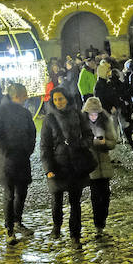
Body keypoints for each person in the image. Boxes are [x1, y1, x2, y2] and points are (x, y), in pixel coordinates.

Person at [0, 82, 36, 243]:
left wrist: (28, 149)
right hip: (6, 161)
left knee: (22, 193)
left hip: (22, 158)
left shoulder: (24, 112)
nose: (26, 98)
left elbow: (32, 132)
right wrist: (6, 151)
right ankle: (10, 229)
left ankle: (17, 221)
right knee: (9, 194)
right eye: (24, 95)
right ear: (16, 96)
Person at [40, 91, 88, 243]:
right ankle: (57, 226)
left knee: (75, 202)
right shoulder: (49, 119)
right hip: (57, 165)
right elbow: (45, 146)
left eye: (61, 99)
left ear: (67, 99)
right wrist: (48, 168)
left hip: (75, 164)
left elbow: (88, 135)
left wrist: (80, 144)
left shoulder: (78, 115)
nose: (58, 102)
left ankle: (75, 234)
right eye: (55, 100)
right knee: (57, 199)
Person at [81, 96, 120, 239]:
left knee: (105, 195)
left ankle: (102, 220)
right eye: (90, 113)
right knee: (95, 195)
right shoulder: (82, 124)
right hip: (91, 166)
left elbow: (113, 142)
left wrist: (104, 143)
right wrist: (91, 143)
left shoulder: (106, 122)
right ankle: (98, 224)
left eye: (95, 113)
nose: (93, 116)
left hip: (104, 164)